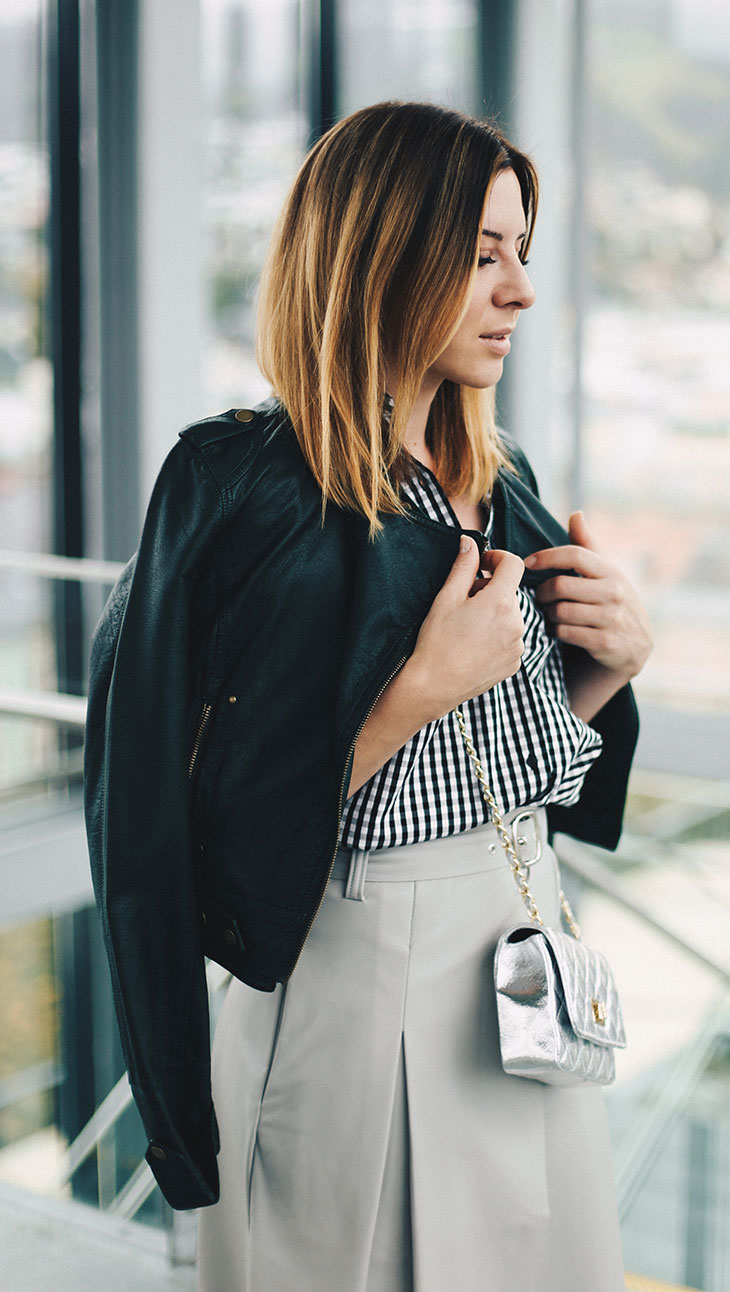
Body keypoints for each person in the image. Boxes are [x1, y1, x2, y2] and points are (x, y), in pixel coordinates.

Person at [84, 100, 652, 1292]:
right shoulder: (238, 484)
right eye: (483, 254)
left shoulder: (500, 480)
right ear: (384, 250)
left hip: (515, 957)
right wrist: (409, 696)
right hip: (355, 972)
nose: (519, 292)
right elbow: (166, 826)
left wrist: (603, 669)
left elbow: (500, 773)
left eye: (523, 255)